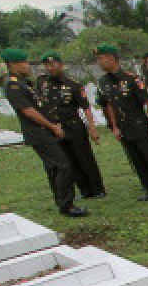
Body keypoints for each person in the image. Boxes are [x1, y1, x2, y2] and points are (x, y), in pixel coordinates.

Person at [0, 49, 86, 218]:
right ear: (12, 65)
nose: (26, 66)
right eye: (23, 63)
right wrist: (52, 126)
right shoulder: (13, 85)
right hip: (38, 132)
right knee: (62, 165)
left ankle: (62, 201)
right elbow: (29, 111)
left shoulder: (24, 82)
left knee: (54, 167)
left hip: (43, 130)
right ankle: (67, 204)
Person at [95, 44, 148, 201]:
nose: (99, 63)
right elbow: (108, 105)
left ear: (111, 58)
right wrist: (114, 127)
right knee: (136, 160)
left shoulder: (131, 79)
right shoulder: (103, 82)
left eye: (101, 59)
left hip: (140, 125)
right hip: (123, 128)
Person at [37, 51, 106, 200]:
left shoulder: (72, 84)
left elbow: (85, 107)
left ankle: (98, 188)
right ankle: (85, 190)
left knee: (85, 158)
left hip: (74, 126)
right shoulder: (42, 83)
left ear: (61, 65)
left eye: (53, 64)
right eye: (47, 65)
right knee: (69, 161)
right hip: (55, 128)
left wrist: (92, 128)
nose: (50, 68)